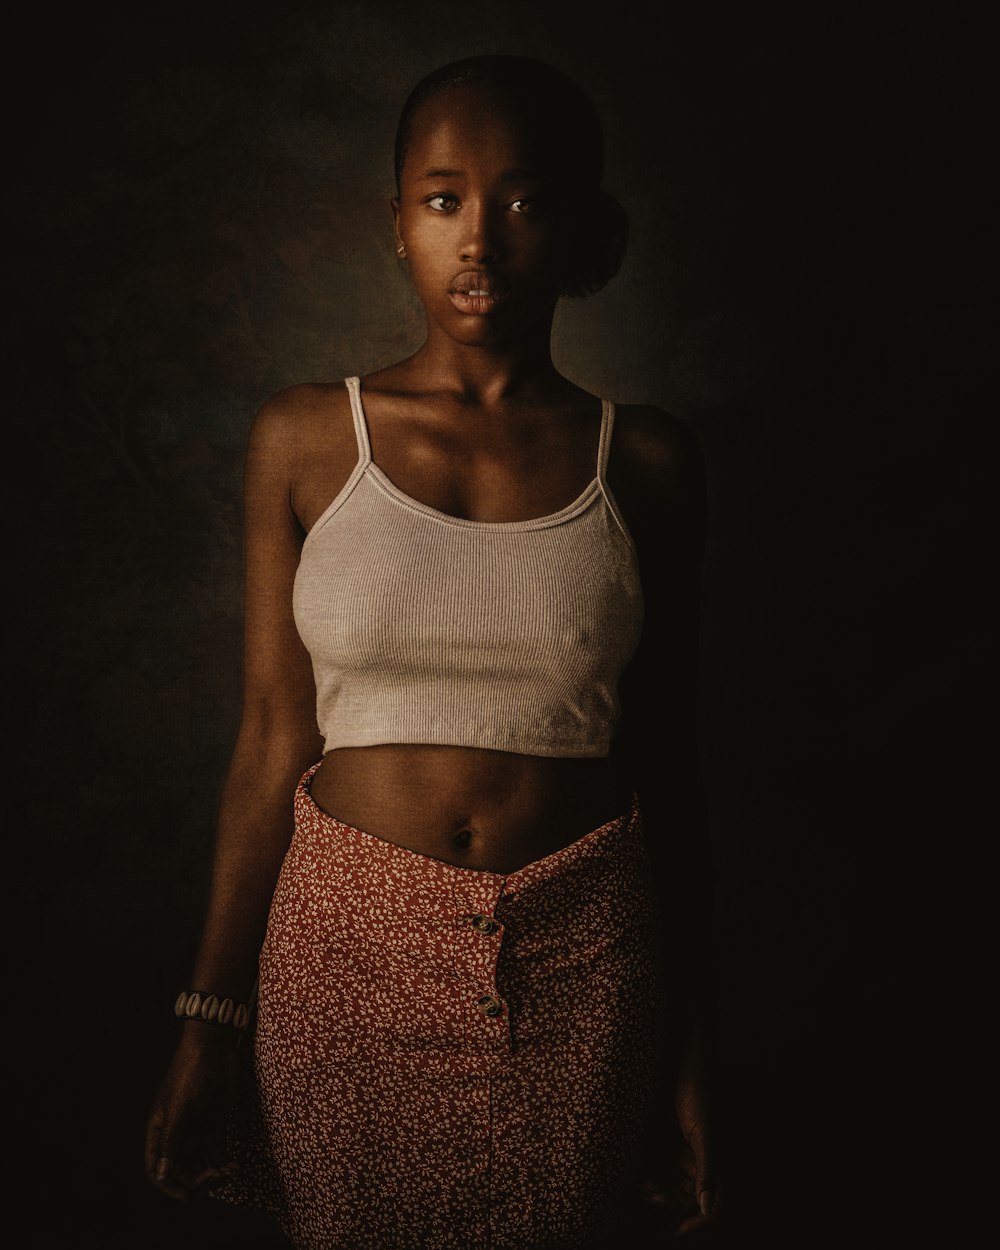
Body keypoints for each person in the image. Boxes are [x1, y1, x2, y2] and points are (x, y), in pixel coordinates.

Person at [144, 53, 721, 1250]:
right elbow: (270, 736)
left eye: (524, 199)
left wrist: (690, 1040)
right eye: (444, 197)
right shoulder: (304, 437)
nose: (480, 238)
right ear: (397, 224)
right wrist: (210, 1012)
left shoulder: (648, 462)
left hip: (585, 960)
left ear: (579, 228)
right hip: (342, 964)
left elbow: (671, 761)